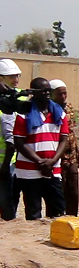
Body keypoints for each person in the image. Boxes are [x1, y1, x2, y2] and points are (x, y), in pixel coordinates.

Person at [13, 78, 67, 220]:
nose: (47, 93)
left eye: (49, 90)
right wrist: (40, 162)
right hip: (29, 171)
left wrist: (52, 161)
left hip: (53, 169)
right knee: (33, 211)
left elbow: (63, 139)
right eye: (43, 90)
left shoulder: (59, 112)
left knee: (58, 210)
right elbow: (19, 142)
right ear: (33, 93)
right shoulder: (23, 113)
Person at [50, 80, 79, 216]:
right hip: (57, 157)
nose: (63, 97)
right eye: (59, 94)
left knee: (73, 189)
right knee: (58, 190)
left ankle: (72, 216)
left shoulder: (69, 107)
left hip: (72, 157)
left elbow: (72, 132)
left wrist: (77, 153)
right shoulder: (48, 109)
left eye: (65, 93)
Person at [0, 59, 24, 220]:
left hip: (10, 162)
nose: (15, 80)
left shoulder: (20, 97)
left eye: (17, 76)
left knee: (9, 199)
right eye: (11, 77)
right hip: (6, 162)